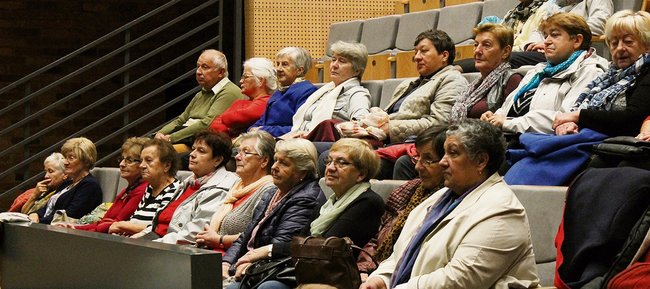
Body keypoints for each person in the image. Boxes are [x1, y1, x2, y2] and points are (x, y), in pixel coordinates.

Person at [361, 119, 539, 289]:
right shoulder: (438, 198)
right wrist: (382, 279)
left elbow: (461, 280)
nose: (443, 161)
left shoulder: (502, 210)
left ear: (481, 161)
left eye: (453, 153)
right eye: (444, 153)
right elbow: (402, 253)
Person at [481, 12, 608, 134]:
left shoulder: (589, 71)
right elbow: (507, 107)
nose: (546, 41)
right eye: (546, 35)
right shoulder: (538, 70)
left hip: (541, 146)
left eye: (555, 35)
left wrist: (508, 123)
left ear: (577, 41)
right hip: (512, 136)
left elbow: (566, 118)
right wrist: (495, 115)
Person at [222, 138, 325, 286]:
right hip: (251, 264)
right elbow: (246, 235)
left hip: (275, 270)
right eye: (276, 160)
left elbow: (280, 245)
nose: (274, 167)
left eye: (284, 163)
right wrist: (226, 263)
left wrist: (249, 265)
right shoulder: (271, 192)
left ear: (302, 171)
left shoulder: (306, 198)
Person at [358, 128, 446, 279]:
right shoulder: (407, 190)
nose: (418, 166)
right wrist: (363, 270)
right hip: (376, 270)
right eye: (417, 157)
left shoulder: (452, 202)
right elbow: (378, 236)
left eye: (428, 159)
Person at [553, 10, 650, 137]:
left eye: (628, 41)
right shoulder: (608, 76)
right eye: (614, 43)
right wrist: (568, 123)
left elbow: (631, 119)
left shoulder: (647, 73)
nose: (620, 48)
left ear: (647, 45)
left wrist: (578, 116)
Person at [134, 131, 239, 244]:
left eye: (201, 151)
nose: (192, 154)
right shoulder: (189, 182)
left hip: (176, 249)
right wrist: (142, 235)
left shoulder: (221, 187)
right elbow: (159, 223)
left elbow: (195, 233)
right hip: (159, 239)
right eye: (193, 149)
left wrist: (152, 244)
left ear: (217, 160)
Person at [456, 0, 613, 72]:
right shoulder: (557, 5)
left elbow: (599, 24)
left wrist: (561, 35)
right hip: (542, 51)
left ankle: (460, 68)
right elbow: (539, 30)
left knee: (506, 57)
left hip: (570, 52)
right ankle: (456, 66)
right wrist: (540, 41)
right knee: (497, 54)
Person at [196, 131, 276, 252]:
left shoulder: (269, 190)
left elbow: (258, 236)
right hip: (213, 253)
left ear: (264, 161)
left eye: (246, 152)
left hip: (235, 260)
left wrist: (219, 239)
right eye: (238, 152)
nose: (237, 157)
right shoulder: (237, 186)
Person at [155, 49, 245, 152]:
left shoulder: (230, 92)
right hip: (183, 134)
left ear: (221, 72)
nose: (198, 72)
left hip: (199, 140)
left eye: (205, 67)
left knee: (157, 152)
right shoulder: (202, 93)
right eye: (198, 66)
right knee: (144, 143)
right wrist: (160, 134)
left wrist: (171, 138)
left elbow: (207, 124)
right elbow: (181, 120)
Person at [283, 41, 371, 138]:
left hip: (320, 144)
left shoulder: (357, 94)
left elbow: (361, 125)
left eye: (342, 61)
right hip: (298, 138)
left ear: (357, 70)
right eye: (333, 60)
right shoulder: (324, 91)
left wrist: (310, 134)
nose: (334, 65)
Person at [70, 137, 149, 233]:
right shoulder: (128, 190)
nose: (122, 164)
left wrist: (78, 230)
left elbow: (115, 224)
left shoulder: (142, 190)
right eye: (122, 159)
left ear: (143, 163)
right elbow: (104, 222)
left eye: (129, 160)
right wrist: (74, 228)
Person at [108, 138, 182, 236]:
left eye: (148, 160)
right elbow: (136, 221)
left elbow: (159, 228)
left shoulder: (175, 190)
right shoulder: (150, 188)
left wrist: (122, 225)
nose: (142, 165)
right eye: (142, 160)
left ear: (167, 165)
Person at [450, 23, 522, 122]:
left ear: (505, 52)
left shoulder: (513, 80)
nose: (477, 50)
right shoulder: (475, 85)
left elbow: (513, 123)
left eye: (486, 45)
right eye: (476, 45)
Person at [30, 137, 103, 224]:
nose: (65, 162)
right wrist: (35, 214)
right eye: (65, 157)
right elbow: (46, 209)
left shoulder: (89, 186)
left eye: (71, 158)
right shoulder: (67, 183)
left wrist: (37, 222)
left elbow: (70, 215)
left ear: (86, 161)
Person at [249, 47, 318, 137]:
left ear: (299, 70)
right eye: (278, 64)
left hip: (285, 142)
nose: (278, 69)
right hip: (265, 139)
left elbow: (299, 128)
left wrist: (262, 130)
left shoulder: (307, 91)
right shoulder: (279, 91)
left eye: (285, 64)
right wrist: (252, 129)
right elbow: (263, 120)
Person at [210, 58, 277, 138]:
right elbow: (214, 125)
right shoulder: (240, 102)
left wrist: (224, 120)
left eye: (246, 77)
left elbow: (231, 118)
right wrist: (228, 128)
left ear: (260, 81)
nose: (241, 81)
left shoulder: (266, 102)